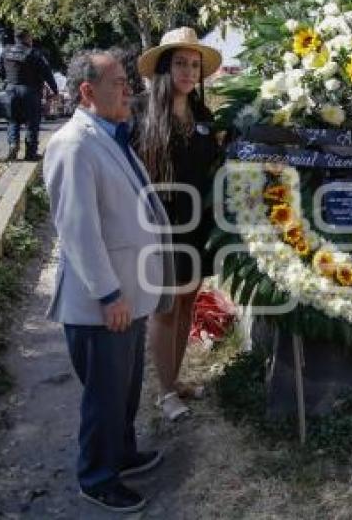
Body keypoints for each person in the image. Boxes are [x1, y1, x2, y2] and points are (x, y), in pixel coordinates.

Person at [42, 49, 174, 512]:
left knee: (127, 385)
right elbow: (78, 229)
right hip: (104, 302)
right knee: (105, 394)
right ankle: (97, 477)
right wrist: (108, 292)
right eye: (119, 82)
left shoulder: (110, 136)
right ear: (87, 91)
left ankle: (121, 453)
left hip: (127, 294)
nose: (129, 91)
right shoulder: (73, 144)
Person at [135, 27, 223, 421]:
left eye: (194, 65)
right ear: (164, 68)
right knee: (165, 308)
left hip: (197, 223)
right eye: (180, 64)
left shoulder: (203, 115)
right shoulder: (142, 114)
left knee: (188, 301)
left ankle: (176, 380)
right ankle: (164, 391)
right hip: (161, 224)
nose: (188, 72)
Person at [0, 29, 58, 161]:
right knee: (32, 122)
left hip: (10, 90)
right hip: (30, 92)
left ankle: (13, 145)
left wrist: (8, 82)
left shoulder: (5, 52)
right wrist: (55, 90)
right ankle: (30, 153)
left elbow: (1, 71)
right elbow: (47, 73)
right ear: (27, 38)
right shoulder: (34, 53)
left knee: (12, 120)